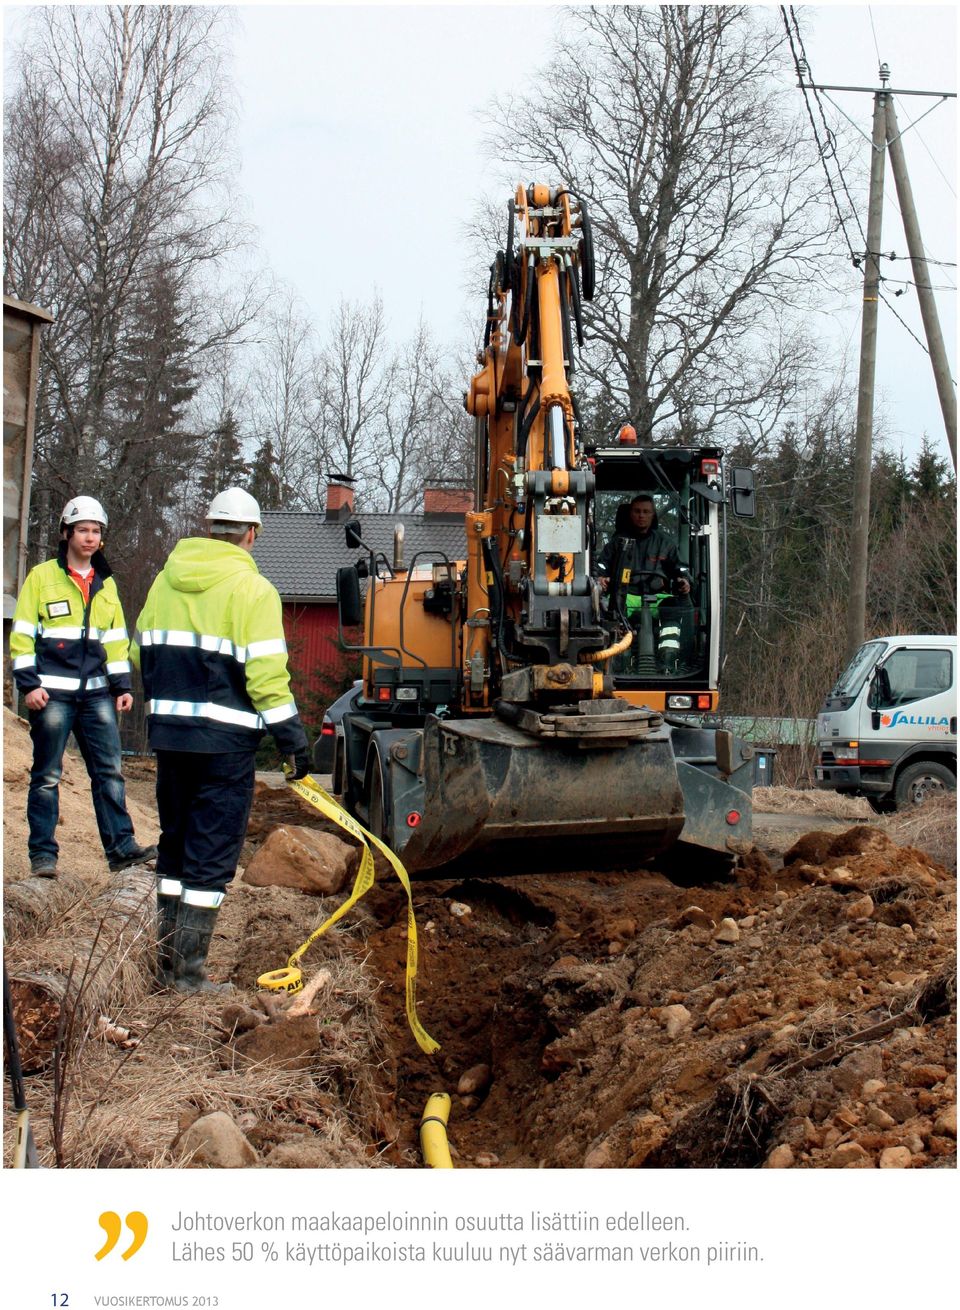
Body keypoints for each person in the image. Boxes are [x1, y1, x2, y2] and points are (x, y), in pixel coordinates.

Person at [132, 487, 309, 994]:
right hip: (225, 745)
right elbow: (267, 679)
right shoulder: (254, 592)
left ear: (210, 528)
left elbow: (142, 651)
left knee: (175, 844)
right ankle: (186, 976)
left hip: (169, 737)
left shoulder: (165, 583)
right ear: (251, 534)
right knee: (210, 854)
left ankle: (165, 965)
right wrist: (293, 740)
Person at [10, 496, 157, 879]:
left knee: (109, 772)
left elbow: (115, 641)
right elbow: (23, 636)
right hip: (50, 694)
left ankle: (122, 849)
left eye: (96, 531)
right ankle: (43, 856)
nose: (90, 538)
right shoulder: (42, 577)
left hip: (95, 694)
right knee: (46, 776)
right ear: (67, 533)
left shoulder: (105, 584)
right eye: (83, 530)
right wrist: (29, 685)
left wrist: (122, 685)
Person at [596, 493, 692, 669]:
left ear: (653, 515)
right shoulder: (617, 542)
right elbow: (601, 567)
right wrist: (600, 578)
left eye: (646, 511)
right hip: (626, 597)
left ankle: (669, 659)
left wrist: (683, 580)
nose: (641, 515)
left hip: (658, 598)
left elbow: (681, 568)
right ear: (630, 514)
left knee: (674, 608)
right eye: (637, 511)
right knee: (610, 609)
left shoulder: (665, 543)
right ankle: (618, 659)